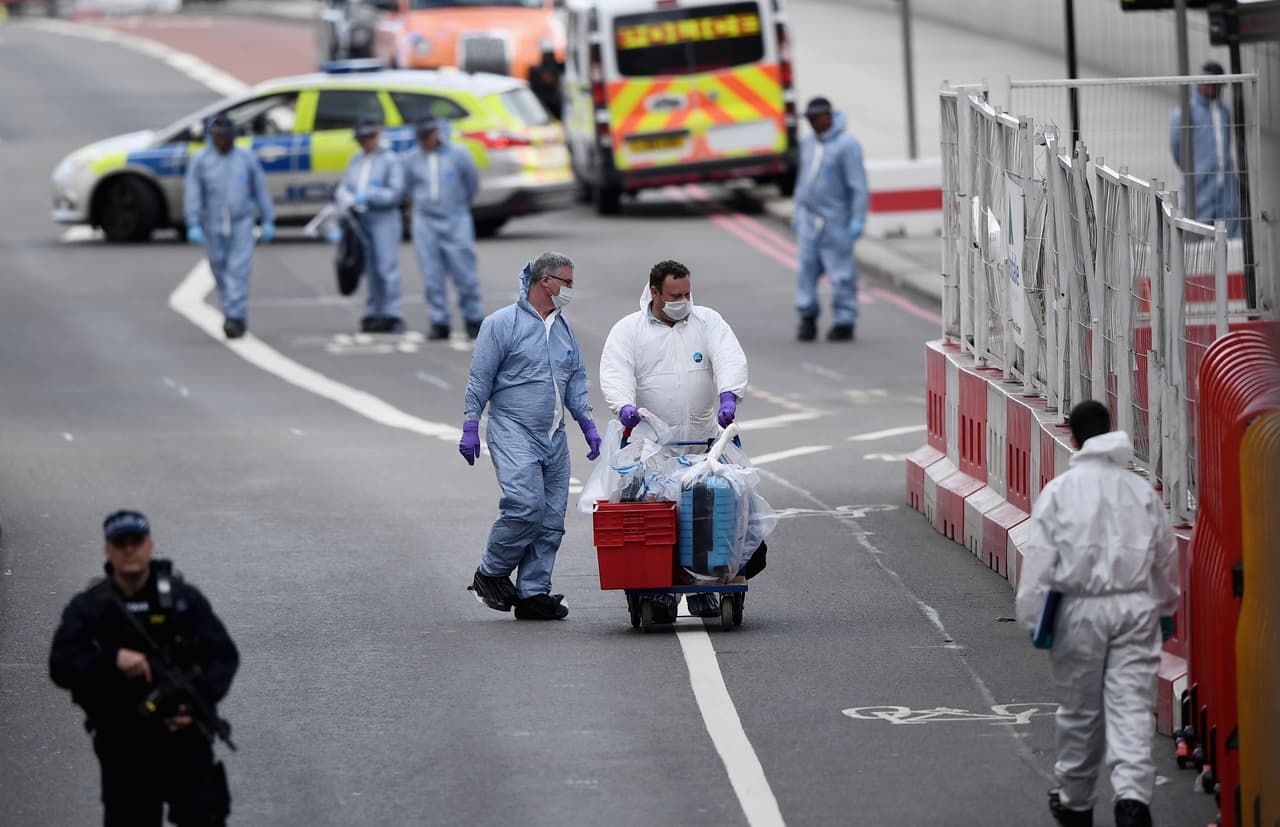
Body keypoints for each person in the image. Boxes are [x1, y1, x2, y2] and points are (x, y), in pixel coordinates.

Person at [1015, 401, 1180, 827]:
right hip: (1136, 606)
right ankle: (1132, 799)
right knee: (1131, 707)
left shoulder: (1060, 492)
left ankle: (1075, 801)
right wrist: (1165, 607)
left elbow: (1039, 564)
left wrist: (1034, 620)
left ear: (1072, 436)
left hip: (1078, 608)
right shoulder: (1140, 492)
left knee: (1079, 711)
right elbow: (1165, 557)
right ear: (1110, 431)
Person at [49, 510, 240, 827]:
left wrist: (200, 700)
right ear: (108, 550)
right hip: (124, 744)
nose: (129, 550)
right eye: (120, 543)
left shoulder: (182, 599)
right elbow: (61, 664)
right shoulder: (89, 607)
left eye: (136, 542)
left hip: (185, 739)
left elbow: (223, 655)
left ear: (149, 546)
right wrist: (112, 660)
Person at [598, 259, 762, 619]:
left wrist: (729, 395)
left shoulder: (707, 321)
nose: (683, 301)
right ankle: (658, 591)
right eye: (675, 295)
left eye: (687, 293)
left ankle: (707, 586)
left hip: (704, 447)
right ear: (655, 293)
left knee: (710, 518)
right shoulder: (629, 331)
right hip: (653, 451)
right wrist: (624, 406)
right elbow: (615, 371)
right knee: (657, 525)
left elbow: (729, 357)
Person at [459, 252, 602, 620]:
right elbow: (480, 377)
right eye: (567, 282)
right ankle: (491, 573)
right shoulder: (501, 324)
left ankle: (533, 591)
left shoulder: (563, 328)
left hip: (553, 436)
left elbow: (575, 379)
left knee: (551, 520)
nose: (571, 290)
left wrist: (587, 424)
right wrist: (471, 423)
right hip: (513, 430)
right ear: (546, 281)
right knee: (525, 506)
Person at [184, 113, 276, 340]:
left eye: (225, 136)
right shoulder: (201, 160)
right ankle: (230, 310)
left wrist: (268, 219)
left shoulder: (245, 157)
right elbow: (193, 193)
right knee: (219, 268)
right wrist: (193, 222)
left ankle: (235, 316)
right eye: (217, 136)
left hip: (241, 221)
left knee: (238, 270)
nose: (221, 140)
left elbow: (260, 189)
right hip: (213, 223)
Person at [793, 96, 869, 343]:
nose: (812, 123)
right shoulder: (808, 143)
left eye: (815, 118)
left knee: (842, 274)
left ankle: (844, 321)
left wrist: (857, 219)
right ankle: (807, 318)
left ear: (828, 116)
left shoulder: (847, 145)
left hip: (836, 220)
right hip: (809, 220)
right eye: (809, 119)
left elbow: (858, 186)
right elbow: (802, 181)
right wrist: (797, 212)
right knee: (806, 271)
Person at [403, 116, 485, 341]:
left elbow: (471, 184)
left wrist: (457, 206)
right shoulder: (412, 159)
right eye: (420, 137)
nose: (424, 141)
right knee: (431, 274)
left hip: (455, 218)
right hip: (425, 221)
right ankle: (439, 321)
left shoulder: (459, 155)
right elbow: (409, 187)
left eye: (427, 136)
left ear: (436, 133)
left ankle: (473, 318)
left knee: (465, 272)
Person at [335, 117, 406, 333]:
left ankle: (392, 312)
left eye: (367, 138)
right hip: (361, 219)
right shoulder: (356, 160)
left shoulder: (390, 160)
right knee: (369, 268)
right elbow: (346, 185)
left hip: (383, 218)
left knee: (386, 267)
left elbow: (395, 193)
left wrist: (370, 195)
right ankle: (374, 310)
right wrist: (345, 196)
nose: (364, 143)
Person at [1169, 61, 1241, 237]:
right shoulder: (1186, 113)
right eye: (1212, 85)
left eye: (1218, 86)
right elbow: (1177, 148)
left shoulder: (1224, 112)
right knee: (1197, 231)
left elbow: (1226, 144)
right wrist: (1194, 169)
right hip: (1199, 184)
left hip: (1225, 183)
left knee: (1228, 231)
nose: (1215, 90)